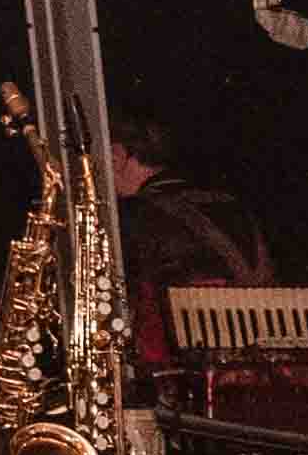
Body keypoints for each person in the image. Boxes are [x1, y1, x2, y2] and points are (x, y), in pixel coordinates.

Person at [105, 107, 272, 376]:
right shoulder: (231, 204)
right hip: (254, 363)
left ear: (117, 156)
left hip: (175, 372)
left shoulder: (131, 214)